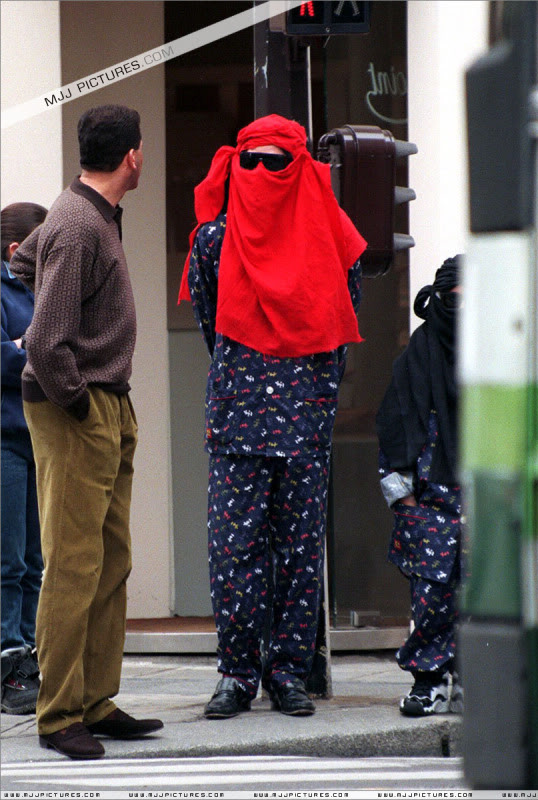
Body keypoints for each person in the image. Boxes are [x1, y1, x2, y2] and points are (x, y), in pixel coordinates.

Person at [179, 114, 367, 720]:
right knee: (234, 552)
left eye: (275, 161)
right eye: (250, 161)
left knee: (298, 550)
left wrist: (307, 385)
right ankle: (235, 673)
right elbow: (214, 323)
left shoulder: (333, 238)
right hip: (238, 418)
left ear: (300, 166)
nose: (261, 172)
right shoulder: (213, 241)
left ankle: (287, 671)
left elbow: (342, 317)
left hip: (305, 420)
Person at [10, 104, 163, 760]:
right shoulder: (77, 224)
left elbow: (23, 272)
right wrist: (77, 403)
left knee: (110, 558)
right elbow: (46, 339)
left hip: (104, 401)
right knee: (72, 566)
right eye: (142, 148)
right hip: (78, 407)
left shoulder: (77, 218)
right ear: (131, 155)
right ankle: (59, 713)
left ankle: (95, 700)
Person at [375, 256, 464, 717]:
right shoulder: (416, 358)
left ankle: (472, 681)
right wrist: (406, 502)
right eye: (456, 303)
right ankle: (428, 682)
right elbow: (392, 430)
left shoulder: (499, 359)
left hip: (483, 501)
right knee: (430, 599)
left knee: (482, 597)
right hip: (428, 501)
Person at [1, 202, 47, 715]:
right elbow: (10, 357)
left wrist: (22, 347)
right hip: (6, 439)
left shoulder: (40, 289)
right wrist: (29, 348)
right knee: (8, 562)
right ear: (16, 250)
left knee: (36, 561)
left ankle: (31, 657)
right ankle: (8, 665)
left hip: (39, 436)